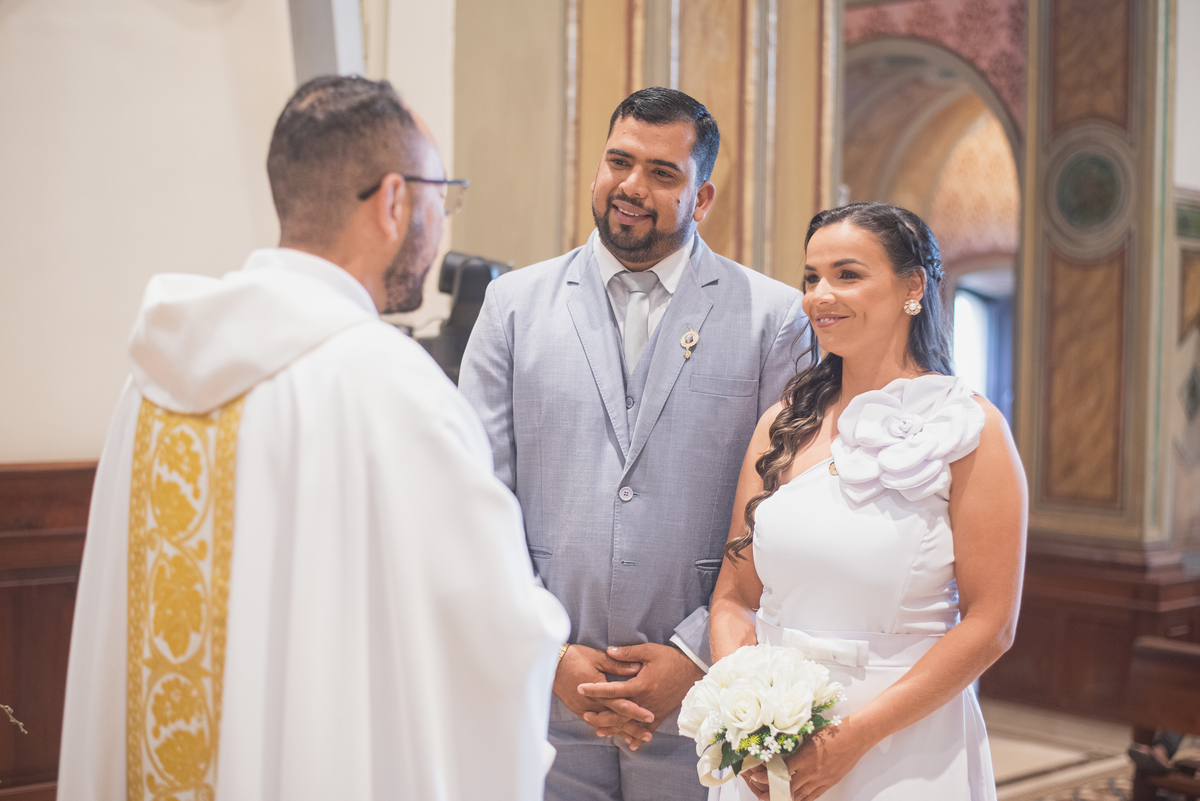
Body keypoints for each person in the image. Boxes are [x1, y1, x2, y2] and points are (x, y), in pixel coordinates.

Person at [57, 75, 568, 801]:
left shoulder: (154, 376)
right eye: (439, 196)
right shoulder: (391, 388)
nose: (440, 222)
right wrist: (550, 628)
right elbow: (493, 638)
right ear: (395, 200)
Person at [458, 87, 807, 801]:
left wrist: (695, 652)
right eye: (619, 161)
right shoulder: (514, 306)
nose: (631, 186)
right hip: (544, 691)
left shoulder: (773, 319)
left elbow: (785, 509)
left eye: (661, 173)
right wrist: (549, 650)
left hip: (701, 700)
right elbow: (473, 496)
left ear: (702, 196)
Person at [708, 202, 1028, 800]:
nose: (819, 296)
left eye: (846, 275)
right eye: (811, 277)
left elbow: (991, 624)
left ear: (913, 287)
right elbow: (733, 597)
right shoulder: (782, 424)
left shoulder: (972, 430)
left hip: (901, 744)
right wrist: (744, 710)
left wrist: (855, 737)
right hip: (769, 744)